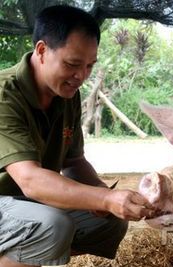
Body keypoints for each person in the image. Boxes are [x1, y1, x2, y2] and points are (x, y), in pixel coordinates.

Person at [0, 5, 155, 267]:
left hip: (27, 203)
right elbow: (30, 180)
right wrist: (105, 198)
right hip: (13, 199)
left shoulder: (65, 93)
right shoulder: (5, 95)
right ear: (41, 51)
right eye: (72, 64)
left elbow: (73, 163)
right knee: (51, 226)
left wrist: (103, 196)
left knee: (110, 222)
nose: (81, 76)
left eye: (89, 66)